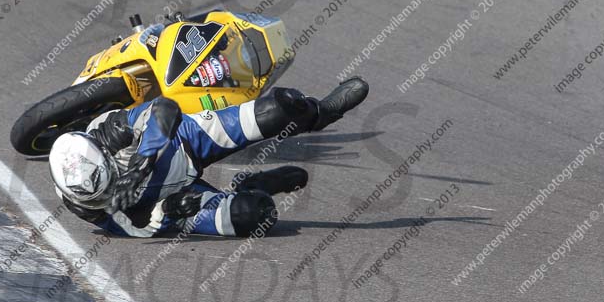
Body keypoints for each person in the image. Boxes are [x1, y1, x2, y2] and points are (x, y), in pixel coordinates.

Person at [49, 77, 369, 238]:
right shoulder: (80, 203)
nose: (107, 195)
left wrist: (139, 166)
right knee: (255, 215)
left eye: (108, 185)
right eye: (101, 195)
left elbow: (164, 109)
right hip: (176, 198)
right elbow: (127, 228)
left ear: (102, 154)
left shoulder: (108, 131)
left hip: (186, 142)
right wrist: (168, 211)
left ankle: (320, 113)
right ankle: (251, 185)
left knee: (280, 108)